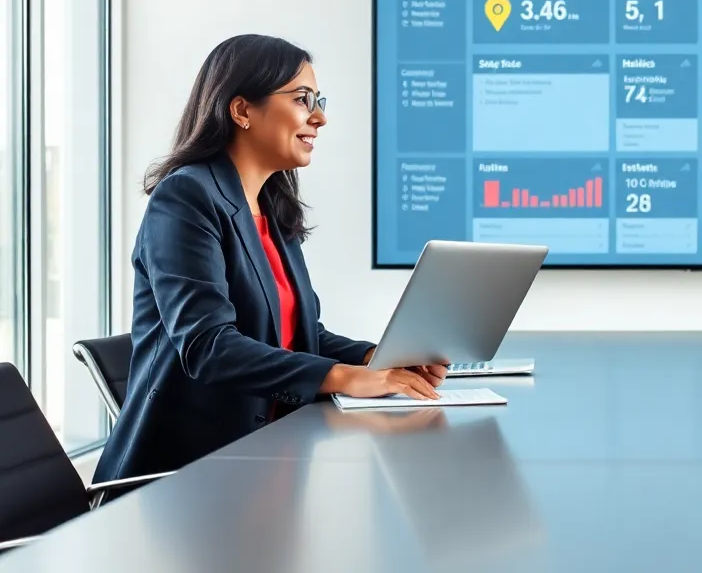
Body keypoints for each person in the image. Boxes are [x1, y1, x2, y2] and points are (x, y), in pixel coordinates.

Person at [94, 34, 448, 483]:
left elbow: (299, 335)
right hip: (185, 478)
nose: (319, 117)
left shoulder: (272, 208)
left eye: (319, 100)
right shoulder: (185, 197)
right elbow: (208, 347)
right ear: (241, 110)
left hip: (269, 460)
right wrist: (341, 377)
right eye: (303, 100)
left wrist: (377, 359)